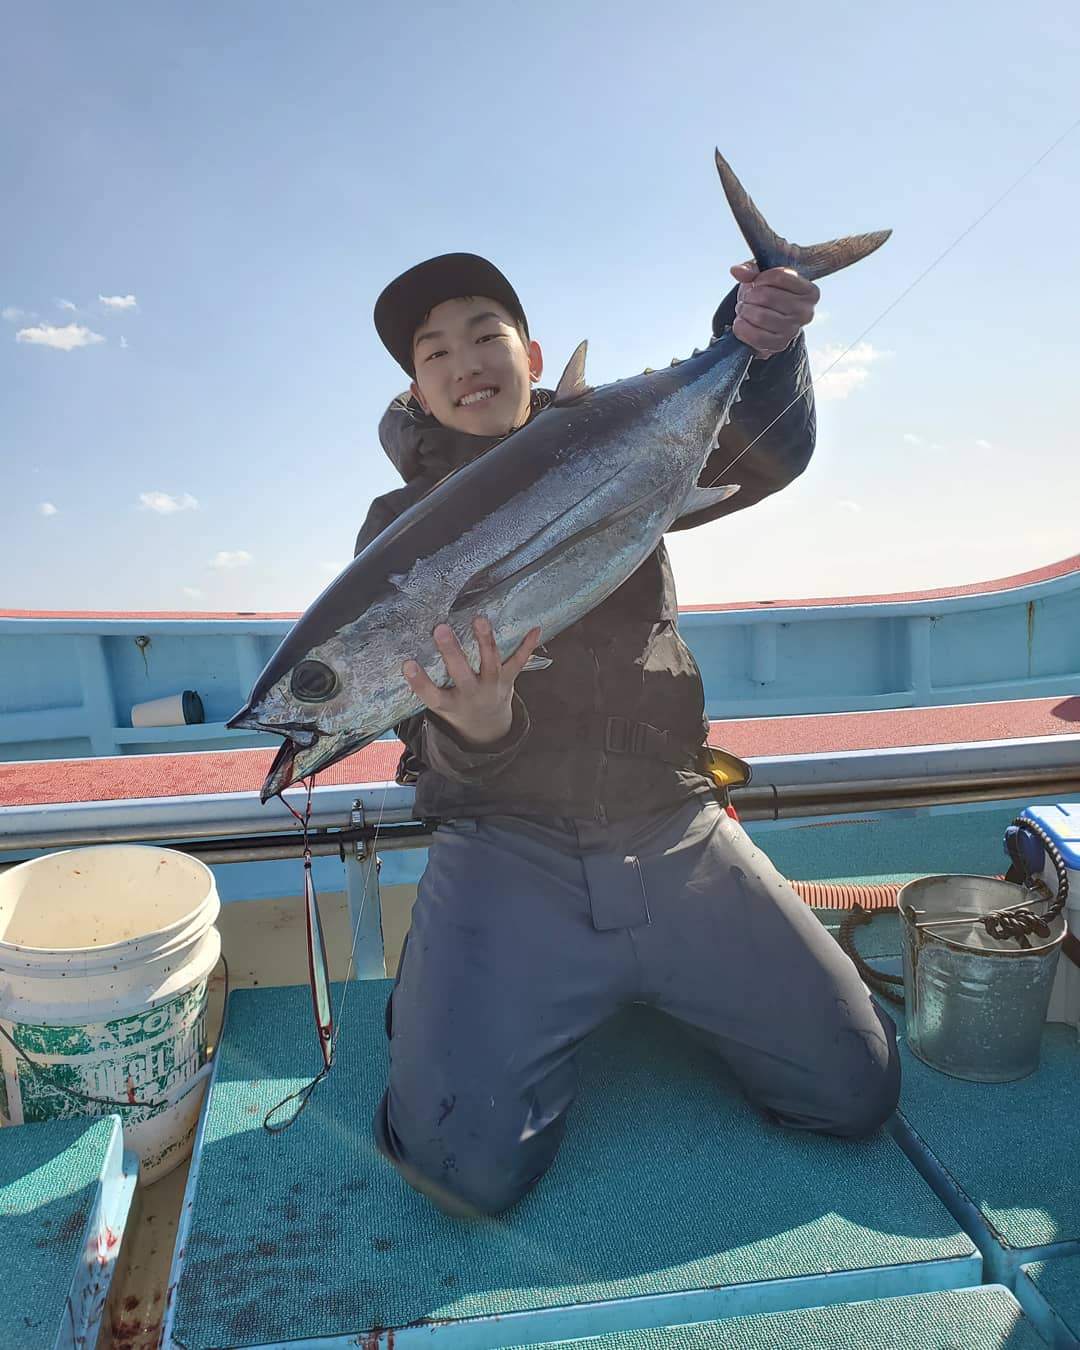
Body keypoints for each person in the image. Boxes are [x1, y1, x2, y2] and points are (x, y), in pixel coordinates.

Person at [356, 252, 900, 1217]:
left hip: (673, 823)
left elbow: (765, 454)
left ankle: (586, 988)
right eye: (433, 350)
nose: (464, 359)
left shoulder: (620, 440)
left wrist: (761, 339)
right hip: (504, 842)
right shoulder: (398, 527)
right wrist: (476, 733)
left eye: (485, 333)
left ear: (529, 353)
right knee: (457, 1173)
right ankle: (455, 990)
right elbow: (399, 701)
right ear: (417, 390)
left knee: (853, 1092)